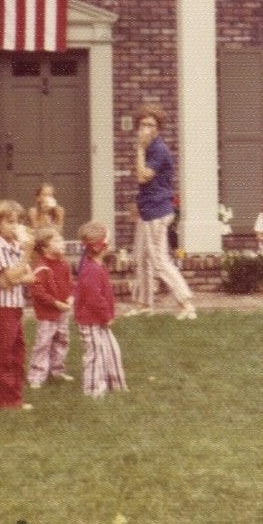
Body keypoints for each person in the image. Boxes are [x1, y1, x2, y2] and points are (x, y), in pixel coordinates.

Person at [129, 102, 196, 320]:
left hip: (158, 211)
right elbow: (144, 182)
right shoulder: (148, 149)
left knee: (158, 261)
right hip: (147, 210)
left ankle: (186, 304)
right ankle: (143, 304)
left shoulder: (158, 149)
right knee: (141, 259)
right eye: (142, 124)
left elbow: (142, 176)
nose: (145, 129)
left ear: (157, 129)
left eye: (150, 125)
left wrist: (139, 148)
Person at [0, 199, 35, 410]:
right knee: (4, 353)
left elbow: (29, 277)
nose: (14, 226)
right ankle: (4, 400)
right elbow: (6, 280)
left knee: (17, 352)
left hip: (16, 306)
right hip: (1, 308)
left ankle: (16, 397)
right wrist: (25, 256)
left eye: (17, 222)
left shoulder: (16, 247)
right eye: (9, 222)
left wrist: (15, 275)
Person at [75, 220, 127, 397]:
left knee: (112, 350)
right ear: (101, 246)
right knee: (95, 354)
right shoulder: (91, 270)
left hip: (99, 319)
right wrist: (106, 316)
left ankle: (116, 384)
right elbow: (94, 299)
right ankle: (92, 390)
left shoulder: (99, 266)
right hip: (90, 320)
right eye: (108, 240)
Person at [27, 225, 75, 388]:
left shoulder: (64, 265)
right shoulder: (41, 268)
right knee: (44, 342)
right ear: (45, 247)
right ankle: (36, 375)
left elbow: (69, 284)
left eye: (62, 239)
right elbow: (38, 292)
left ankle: (57, 370)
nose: (63, 243)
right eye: (57, 240)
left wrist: (70, 297)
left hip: (63, 312)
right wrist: (55, 303)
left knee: (62, 340)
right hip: (48, 313)